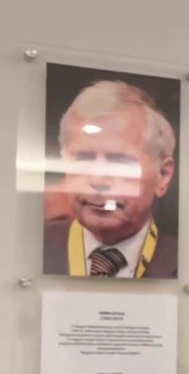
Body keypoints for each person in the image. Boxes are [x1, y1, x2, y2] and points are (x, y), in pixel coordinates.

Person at [42, 80, 178, 279]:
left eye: (119, 162)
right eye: (84, 159)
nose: (98, 180)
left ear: (162, 176)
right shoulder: (27, 248)